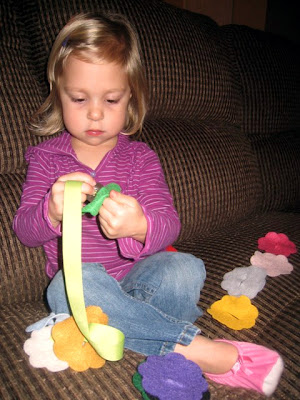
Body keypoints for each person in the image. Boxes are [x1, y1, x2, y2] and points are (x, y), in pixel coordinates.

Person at [13, 12, 283, 396]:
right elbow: (24, 230)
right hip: (84, 286)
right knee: (65, 287)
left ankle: (136, 328)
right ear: (59, 95)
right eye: (78, 98)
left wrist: (139, 226)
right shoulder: (46, 159)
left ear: (131, 98)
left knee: (186, 265)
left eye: (110, 99)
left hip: (141, 280)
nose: (94, 112)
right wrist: (50, 211)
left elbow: (169, 224)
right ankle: (194, 348)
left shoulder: (140, 159)